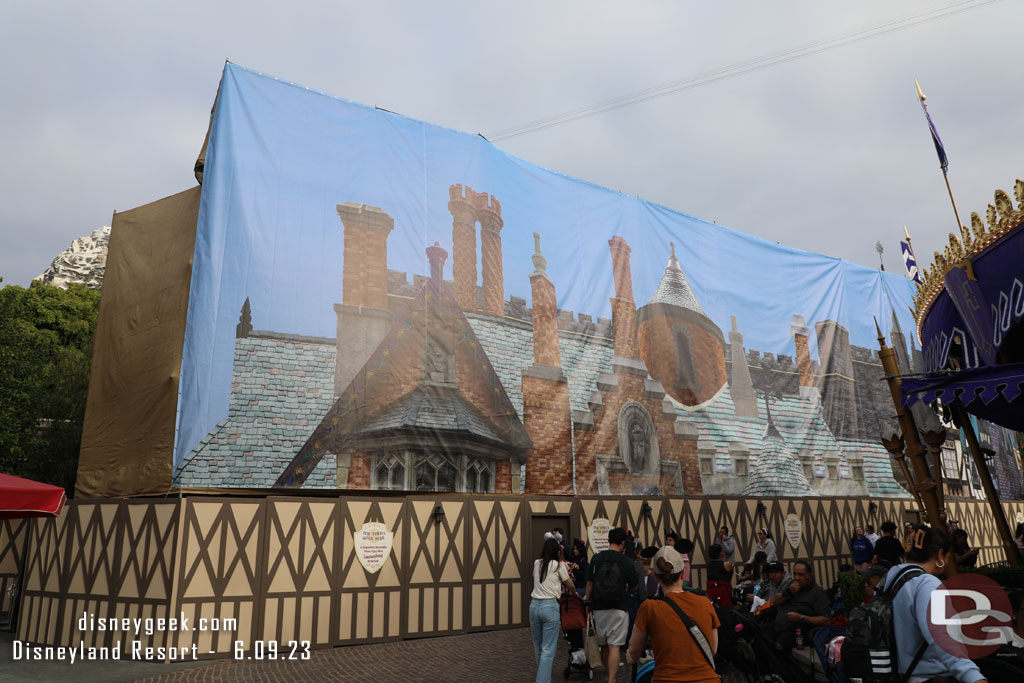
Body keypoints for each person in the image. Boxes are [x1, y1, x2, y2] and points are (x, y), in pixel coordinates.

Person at [882, 524, 986, 682]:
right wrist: (971, 675)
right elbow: (941, 636)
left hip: (897, 674)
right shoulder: (928, 584)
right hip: (926, 677)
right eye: (947, 557)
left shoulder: (893, 574)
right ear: (939, 555)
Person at [625, 545, 720, 683]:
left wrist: (630, 657)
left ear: (656, 577)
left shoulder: (649, 608)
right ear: (683, 573)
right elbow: (713, 649)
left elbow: (634, 651)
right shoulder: (705, 603)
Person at [584, 527, 638, 682]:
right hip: (619, 608)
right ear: (622, 543)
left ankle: (608, 673)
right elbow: (634, 586)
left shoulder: (597, 558)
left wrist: (587, 599)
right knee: (615, 646)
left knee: (604, 645)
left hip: (599, 607)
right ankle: (612, 679)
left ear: (608, 540)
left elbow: (589, 583)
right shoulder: (626, 562)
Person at [530, 537, 575, 683]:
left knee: (538, 647)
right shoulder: (558, 565)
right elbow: (570, 585)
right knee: (548, 649)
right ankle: (542, 681)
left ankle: (544, 677)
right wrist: (574, 593)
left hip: (534, 606)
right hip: (550, 606)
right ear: (557, 551)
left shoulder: (537, 563)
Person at [767, 560, 831, 651]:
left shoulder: (817, 593)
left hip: (798, 632)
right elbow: (775, 602)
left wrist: (802, 617)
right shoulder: (792, 585)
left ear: (809, 576)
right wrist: (789, 592)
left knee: (775, 649)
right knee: (758, 638)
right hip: (778, 627)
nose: (796, 578)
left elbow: (826, 620)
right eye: (795, 574)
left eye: (800, 575)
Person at [705, 543, 734, 607]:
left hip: (711, 591)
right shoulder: (727, 564)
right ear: (721, 553)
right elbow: (731, 573)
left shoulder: (709, 565)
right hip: (723, 592)